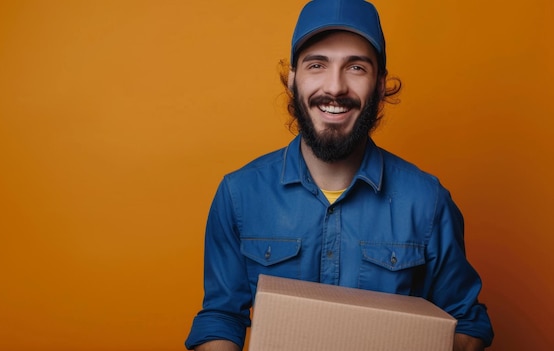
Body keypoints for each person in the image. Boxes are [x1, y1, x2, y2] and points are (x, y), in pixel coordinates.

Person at [185, 0, 494, 350]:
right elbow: (221, 317)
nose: (335, 88)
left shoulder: (428, 202)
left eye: (356, 67)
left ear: (379, 85)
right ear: (293, 81)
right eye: (317, 65)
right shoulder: (238, 194)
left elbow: (467, 323)